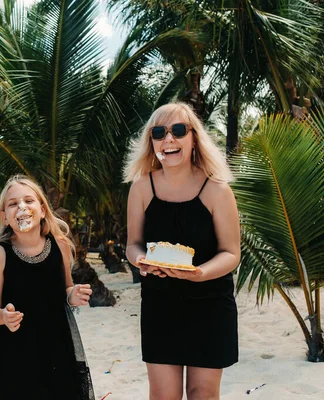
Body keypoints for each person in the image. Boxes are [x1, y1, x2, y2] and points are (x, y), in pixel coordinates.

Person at [124, 103, 240, 400]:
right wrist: (139, 259)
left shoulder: (217, 189)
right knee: (164, 395)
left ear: (194, 138)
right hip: (160, 304)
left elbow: (231, 253)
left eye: (178, 131)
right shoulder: (141, 188)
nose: (169, 140)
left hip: (210, 303)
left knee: (202, 394)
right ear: (151, 142)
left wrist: (199, 274)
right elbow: (133, 243)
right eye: (159, 133)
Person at [0, 175, 95, 400]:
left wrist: (73, 295)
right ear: (5, 217)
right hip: (15, 352)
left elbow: (66, 288)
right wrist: (4, 317)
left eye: (29, 200)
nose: (22, 207)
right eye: (13, 203)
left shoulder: (60, 245)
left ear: (43, 210)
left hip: (57, 345)